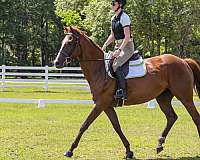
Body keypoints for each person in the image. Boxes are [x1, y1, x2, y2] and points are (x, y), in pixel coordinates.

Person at [102, 0, 135, 100]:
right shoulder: (113, 18)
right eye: (111, 3)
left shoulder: (124, 17)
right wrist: (104, 45)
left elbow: (127, 37)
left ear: (119, 5)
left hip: (127, 47)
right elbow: (112, 36)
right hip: (117, 46)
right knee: (107, 64)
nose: (111, 5)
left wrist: (120, 50)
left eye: (113, 4)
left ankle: (123, 92)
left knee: (116, 65)